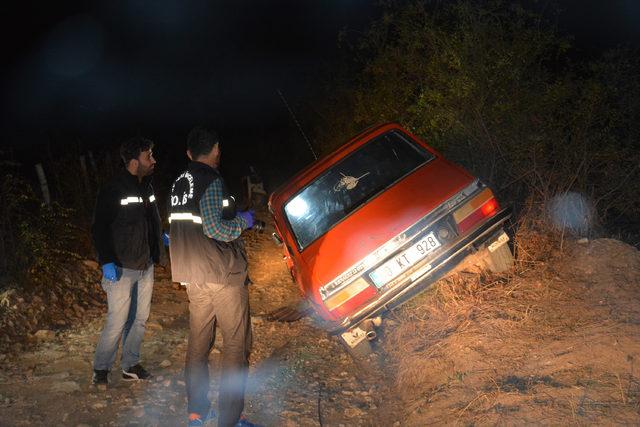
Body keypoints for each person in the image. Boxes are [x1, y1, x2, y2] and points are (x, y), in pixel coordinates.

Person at [168, 126, 259, 427]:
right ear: (216, 149)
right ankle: (230, 420)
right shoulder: (211, 180)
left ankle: (197, 411)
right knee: (236, 345)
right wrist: (243, 223)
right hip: (221, 275)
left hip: (193, 275)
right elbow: (215, 228)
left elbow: (184, 227)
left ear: (188, 153)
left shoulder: (179, 182)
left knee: (198, 345)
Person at [91, 136, 166, 387]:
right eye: (148, 156)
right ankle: (101, 368)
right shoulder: (113, 189)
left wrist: (159, 240)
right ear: (135, 161)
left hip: (145, 264)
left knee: (140, 318)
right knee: (118, 319)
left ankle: (130, 365)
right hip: (121, 267)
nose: (153, 160)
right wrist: (106, 261)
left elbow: (151, 221)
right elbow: (99, 227)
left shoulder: (147, 187)